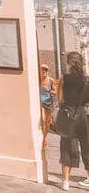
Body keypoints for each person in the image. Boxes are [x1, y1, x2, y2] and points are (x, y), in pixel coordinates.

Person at [57, 52, 89, 191]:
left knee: (66, 147)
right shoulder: (86, 80)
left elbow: (60, 99)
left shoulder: (63, 78)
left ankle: (66, 182)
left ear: (69, 63)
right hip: (82, 115)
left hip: (68, 115)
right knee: (87, 147)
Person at [42, 63, 57, 147]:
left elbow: (55, 92)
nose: (44, 71)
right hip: (41, 103)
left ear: (47, 71)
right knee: (43, 120)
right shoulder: (38, 80)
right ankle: (43, 139)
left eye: (45, 70)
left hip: (49, 103)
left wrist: (49, 91)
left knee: (48, 123)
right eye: (42, 69)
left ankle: (44, 138)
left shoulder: (51, 80)